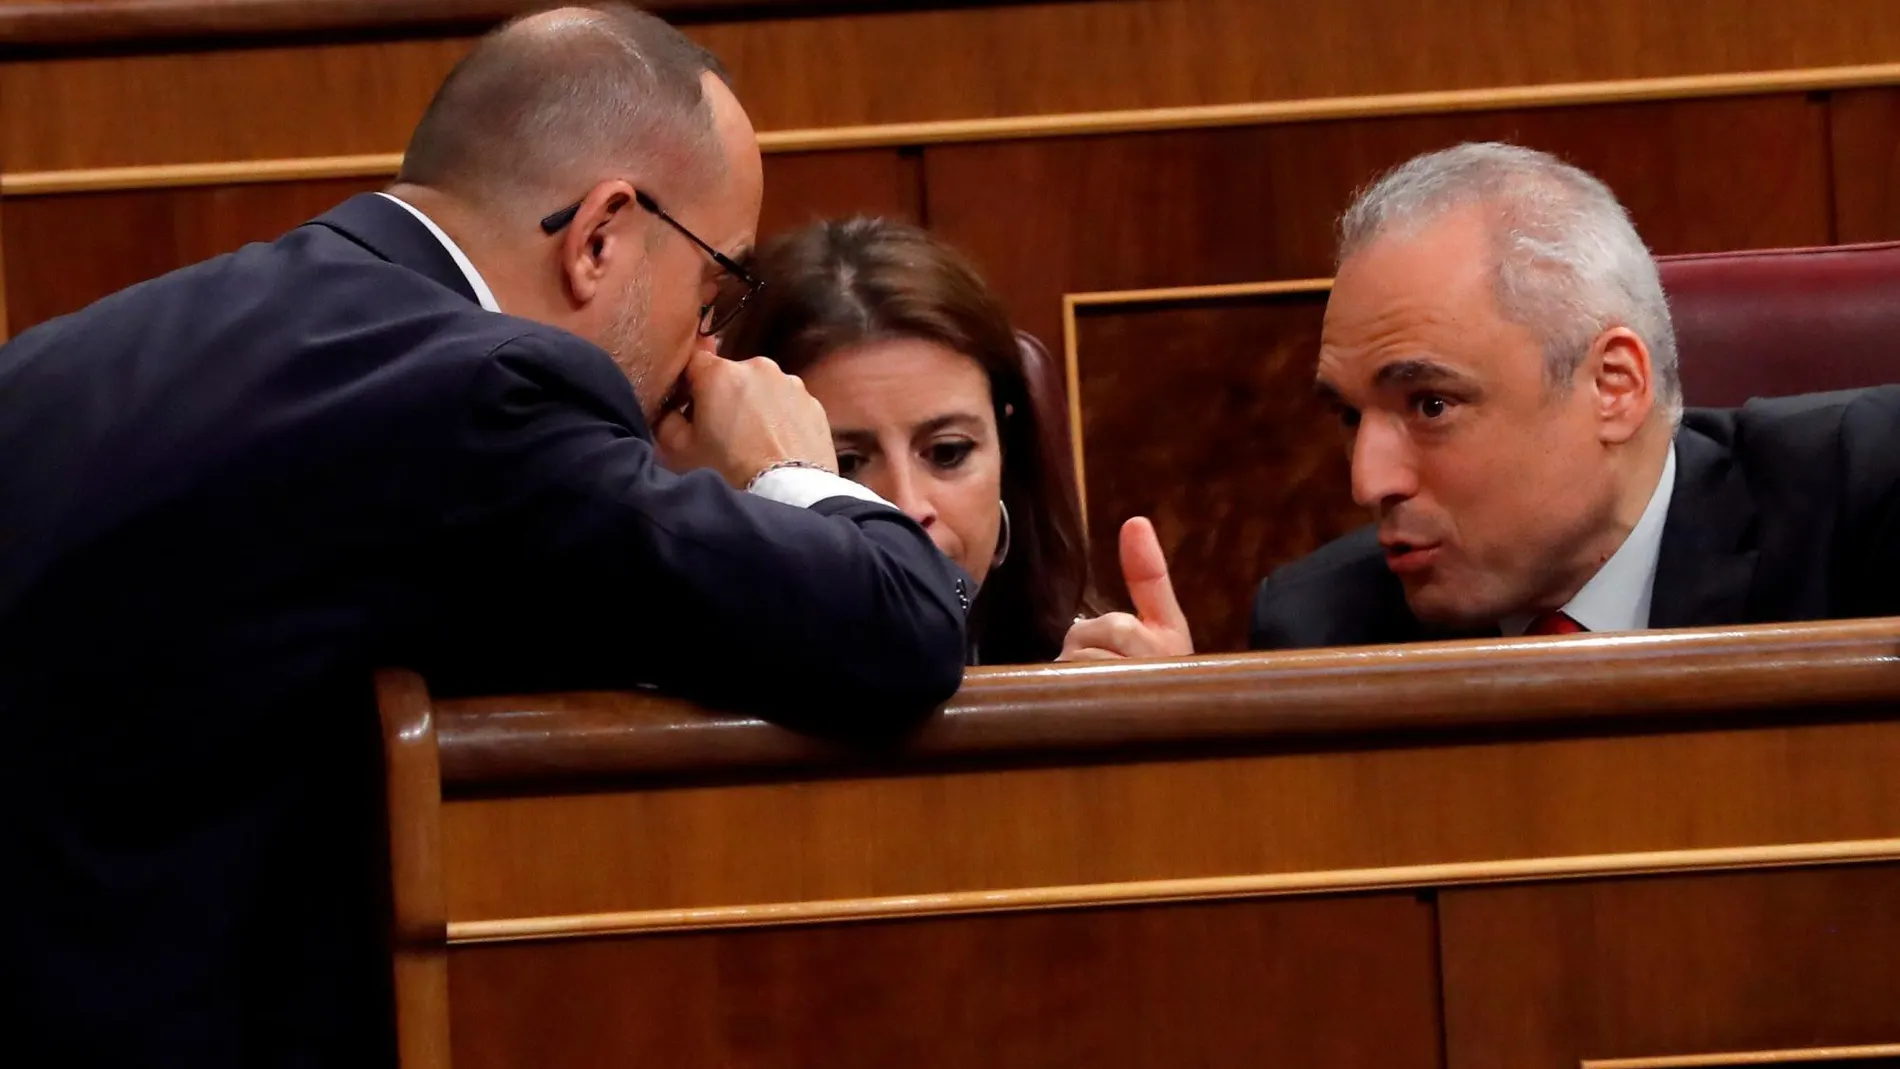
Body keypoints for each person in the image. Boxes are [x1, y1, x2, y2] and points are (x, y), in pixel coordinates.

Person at [0, 7, 969, 1066]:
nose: (708, 345)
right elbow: (898, 622)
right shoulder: (479, 394)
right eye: (718, 286)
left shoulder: (79, 354)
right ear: (602, 235)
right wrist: (786, 469)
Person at [1062, 141, 1900, 659]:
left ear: (1614, 386)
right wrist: (1178, 764)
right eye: (1351, 417)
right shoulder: (1325, 626)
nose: (1368, 481)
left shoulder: (1863, 497)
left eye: (1429, 405)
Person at [720, 217, 1097, 663]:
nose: (907, 506)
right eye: (844, 466)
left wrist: (1161, 709)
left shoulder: (1076, 653)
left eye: (948, 452)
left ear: (1004, 450)